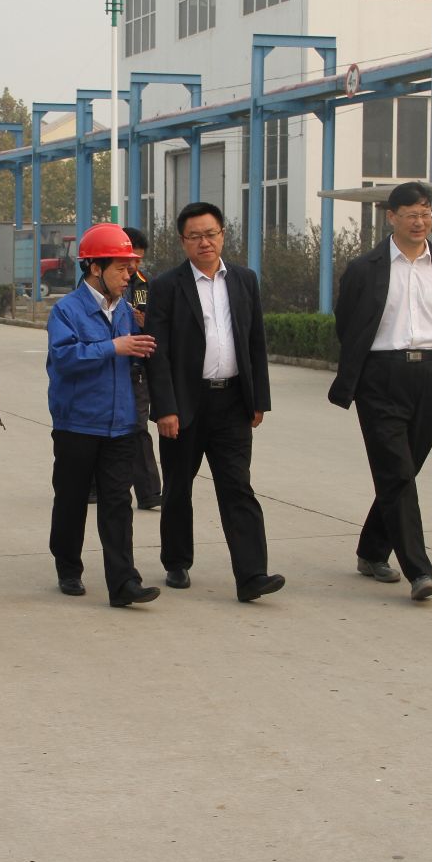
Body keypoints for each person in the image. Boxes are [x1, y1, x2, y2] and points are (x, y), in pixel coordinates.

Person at [328, 182, 432, 602]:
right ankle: (419, 570)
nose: (419, 221)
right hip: (380, 378)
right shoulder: (365, 268)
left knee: (405, 471)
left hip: (429, 376)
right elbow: (347, 323)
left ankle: (372, 550)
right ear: (391, 217)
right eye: (410, 213)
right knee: (396, 472)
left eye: (426, 213)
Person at [144, 201, 284, 603]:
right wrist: (165, 408)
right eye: (195, 236)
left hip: (232, 403)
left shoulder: (244, 280)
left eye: (211, 234)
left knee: (238, 487)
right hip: (185, 405)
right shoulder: (167, 286)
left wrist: (258, 400)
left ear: (223, 235)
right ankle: (176, 560)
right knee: (178, 487)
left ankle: (252, 575)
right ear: (183, 241)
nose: (204, 242)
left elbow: (255, 343)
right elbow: (158, 353)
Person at [47, 223, 162, 607]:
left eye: (132, 267)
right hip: (77, 424)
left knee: (118, 504)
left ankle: (124, 582)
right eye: (122, 268)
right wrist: (113, 346)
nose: (130, 275)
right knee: (71, 500)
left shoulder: (128, 312)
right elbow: (63, 358)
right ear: (95, 267)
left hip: (121, 425)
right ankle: (68, 567)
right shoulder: (66, 310)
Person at [121, 225, 163, 510]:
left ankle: (149, 492)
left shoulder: (146, 285)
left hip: (137, 368)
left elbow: (159, 324)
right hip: (104, 366)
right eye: (128, 259)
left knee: (137, 427)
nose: (133, 266)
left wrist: (147, 324)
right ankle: (92, 487)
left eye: (138, 260)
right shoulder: (92, 285)